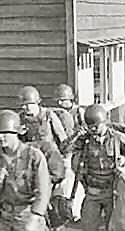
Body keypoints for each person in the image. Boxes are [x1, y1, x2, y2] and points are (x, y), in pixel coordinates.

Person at [52, 83, 86, 222]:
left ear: (70, 99)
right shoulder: (56, 113)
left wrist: (79, 136)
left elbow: (85, 128)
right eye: (58, 101)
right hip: (64, 147)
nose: (60, 103)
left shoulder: (79, 112)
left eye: (63, 100)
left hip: (78, 147)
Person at [18, 86, 68, 153]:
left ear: (36, 103)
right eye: (23, 105)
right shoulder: (20, 118)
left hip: (49, 154)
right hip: (30, 154)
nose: (24, 107)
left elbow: (62, 137)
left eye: (27, 104)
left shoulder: (48, 115)